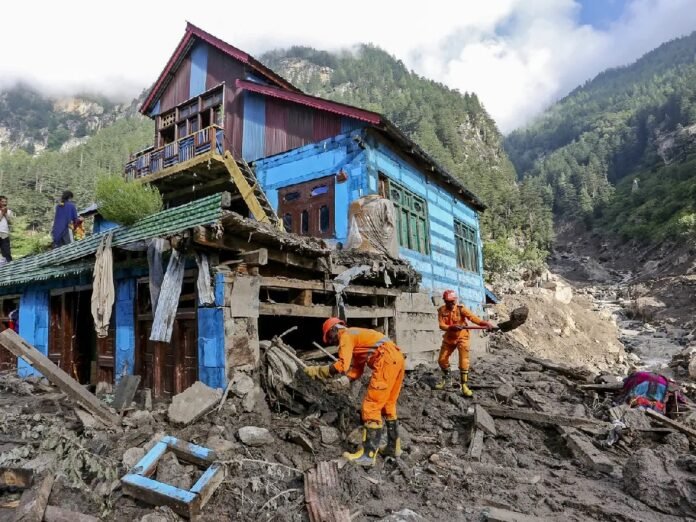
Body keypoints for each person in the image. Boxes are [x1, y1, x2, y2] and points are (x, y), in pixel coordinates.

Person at [304, 318, 405, 467]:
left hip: (386, 360)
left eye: (330, 337)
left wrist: (319, 371)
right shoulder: (357, 336)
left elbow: (342, 365)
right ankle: (393, 447)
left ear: (334, 329)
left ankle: (368, 456)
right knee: (388, 406)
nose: (332, 342)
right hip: (397, 358)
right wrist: (345, 380)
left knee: (371, 407)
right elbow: (357, 369)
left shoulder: (345, 335)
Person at [435, 290, 494, 397]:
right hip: (449, 338)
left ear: (455, 300)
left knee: (463, 361)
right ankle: (447, 380)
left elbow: (473, 318)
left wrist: (485, 323)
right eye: (448, 301)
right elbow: (441, 325)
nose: (451, 303)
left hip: (462, 338)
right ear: (445, 301)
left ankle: (464, 385)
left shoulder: (461, 309)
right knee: (442, 360)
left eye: (452, 301)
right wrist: (451, 327)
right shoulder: (442, 310)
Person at [0, 196, 14, 263]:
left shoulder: (9, 211)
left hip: (4, 233)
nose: (4, 203)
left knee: (7, 252)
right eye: (2, 201)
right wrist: (2, 213)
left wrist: (5, 213)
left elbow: (10, 222)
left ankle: (10, 265)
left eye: (5, 202)